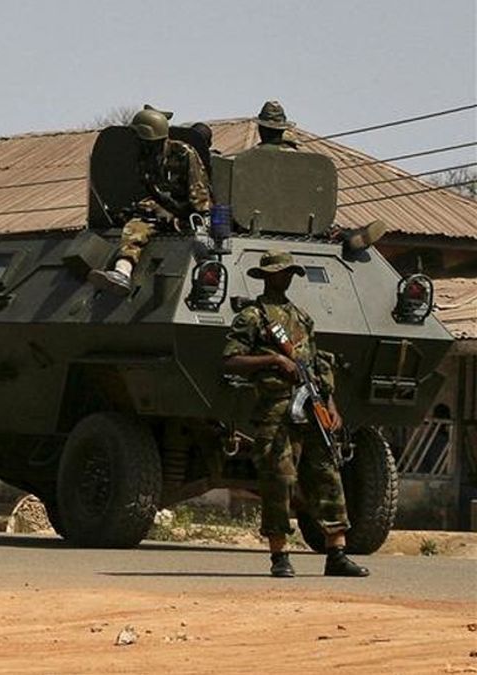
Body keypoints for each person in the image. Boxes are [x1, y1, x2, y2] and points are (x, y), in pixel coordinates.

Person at [222, 250, 369, 578]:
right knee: (279, 482)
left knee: (327, 475)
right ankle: (280, 555)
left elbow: (316, 366)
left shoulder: (302, 318)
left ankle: (337, 552)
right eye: (279, 272)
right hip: (275, 411)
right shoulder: (252, 317)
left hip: (312, 408)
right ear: (267, 276)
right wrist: (273, 362)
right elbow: (230, 360)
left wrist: (331, 406)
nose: (284, 277)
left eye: (289, 273)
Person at [89, 106, 211, 294]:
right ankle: (122, 272)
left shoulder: (183, 153)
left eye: (141, 138)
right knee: (136, 227)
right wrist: (149, 209)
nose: (138, 142)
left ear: (151, 138)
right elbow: (152, 190)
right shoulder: (145, 157)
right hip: (161, 211)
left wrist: (200, 219)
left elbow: (199, 191)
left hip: (188, 214)